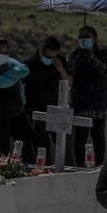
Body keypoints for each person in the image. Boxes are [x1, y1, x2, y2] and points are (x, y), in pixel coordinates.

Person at [0, 37, 35, 163]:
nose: (3, 55)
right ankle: (3, 177)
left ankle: (30, 173)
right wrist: (14, 75)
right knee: (2, 150)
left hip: (17, 113)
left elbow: (25, 70)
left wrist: (7, 74)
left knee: (26, 146)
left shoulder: (10, 63)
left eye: (5, 52)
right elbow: (0, 82)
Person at [23, 37, 71, 165]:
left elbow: (69, 82)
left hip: (56, 108)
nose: (50, 60)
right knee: (42, 145)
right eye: (47, 57)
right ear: (41, 50)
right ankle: (46, 170)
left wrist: (61, 69)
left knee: (63, 142)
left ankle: (66, 168)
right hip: (36, 109)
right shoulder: (29, 63)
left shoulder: (59, 61)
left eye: (53, 57)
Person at [67, 26, 107, 167]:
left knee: (98, 136)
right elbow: (70, 71)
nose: (84, 40)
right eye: (81, 37)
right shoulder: (74, 55)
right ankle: (79, 165)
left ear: (95, 39)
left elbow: (105, 70)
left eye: (87, 36)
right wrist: (80, 58)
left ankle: (100, 165)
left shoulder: (102, 53)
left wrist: (90, 57)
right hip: (81, 101)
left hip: (98, 101)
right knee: (80, 136)